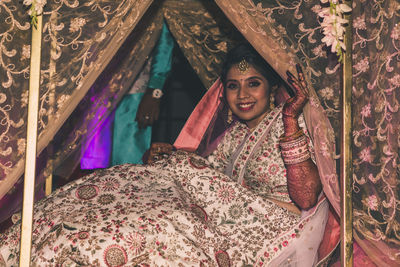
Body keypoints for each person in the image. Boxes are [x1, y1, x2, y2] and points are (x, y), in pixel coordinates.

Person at [0, 43, 339, 266]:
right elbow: (208, 181)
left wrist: (292, 119)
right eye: (233, 85)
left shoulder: (288, 124)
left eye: (253, 83)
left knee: (148, 229)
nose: (242, 94)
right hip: (223, 219)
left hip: (268, 231)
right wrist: (175, 159)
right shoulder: (234, 134)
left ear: (271, 88)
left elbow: (307, 197)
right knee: (123, 193)